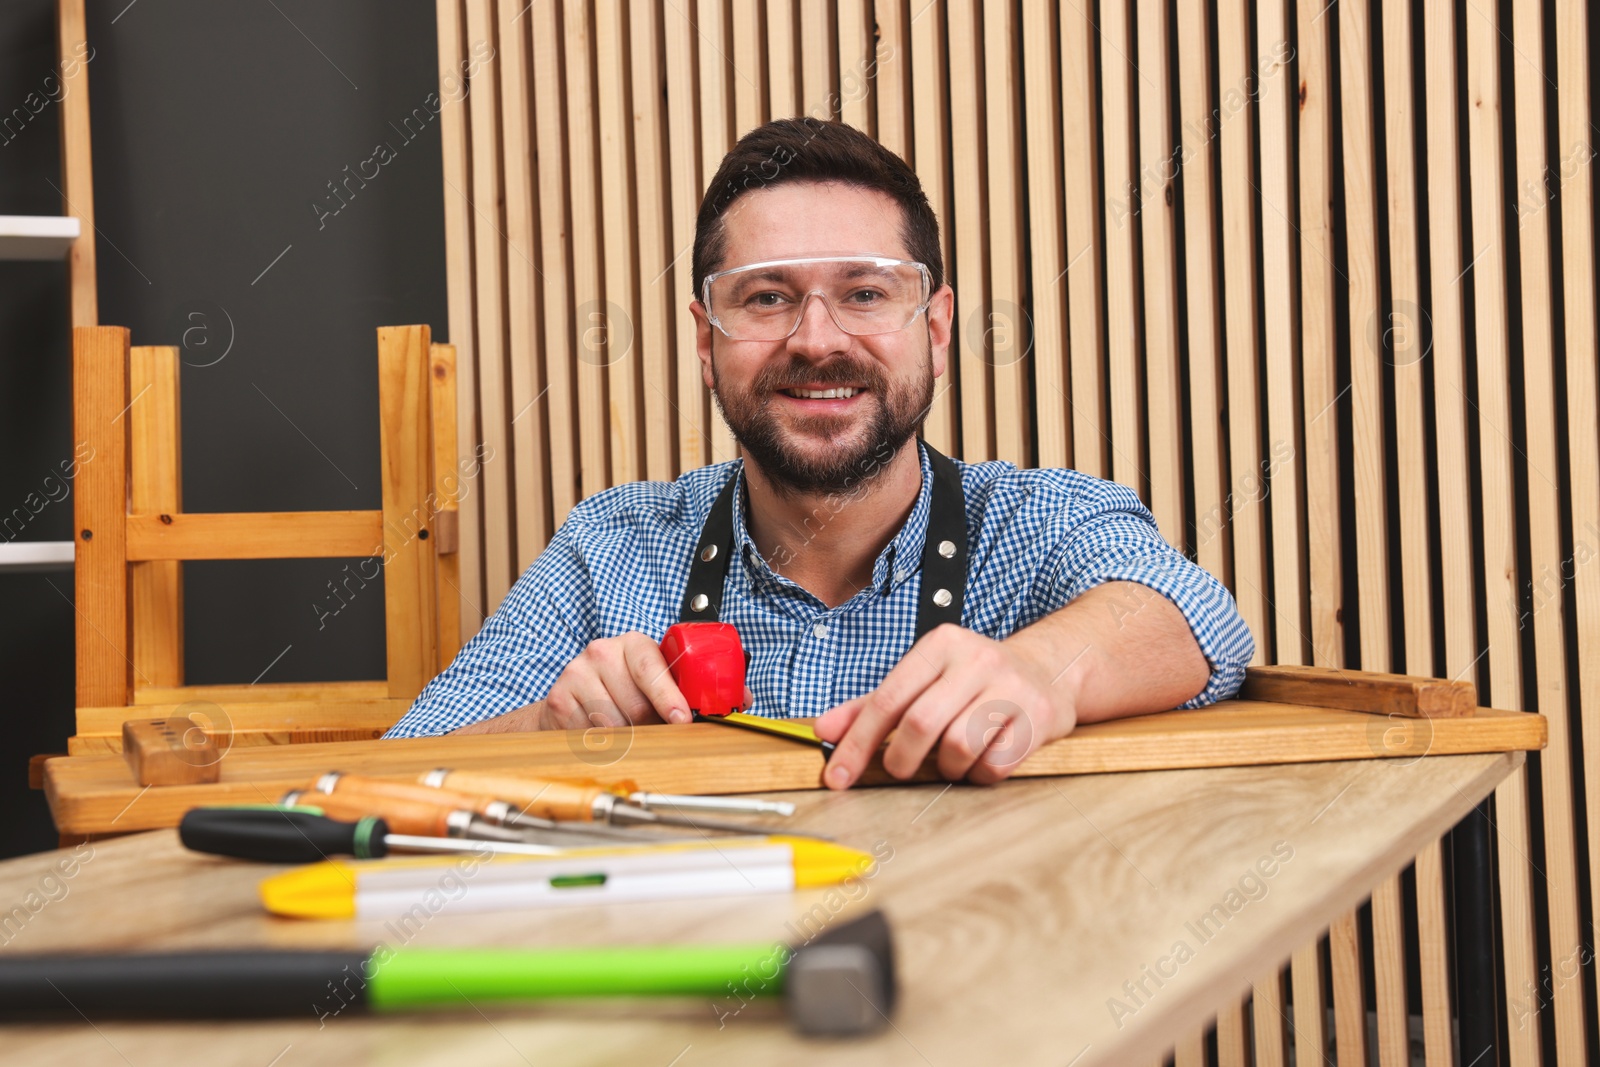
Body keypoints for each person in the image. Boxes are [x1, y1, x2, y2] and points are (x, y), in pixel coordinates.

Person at [385, 117, 1254, 790]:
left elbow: (1200, 621)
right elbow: (396, 770)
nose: (816, 339)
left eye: (864, 293)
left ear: (938, 329)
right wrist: (547, 730)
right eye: (766, 298)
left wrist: (1038, 669)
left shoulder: (1039, 519)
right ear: (705, 338)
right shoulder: (614, 546)